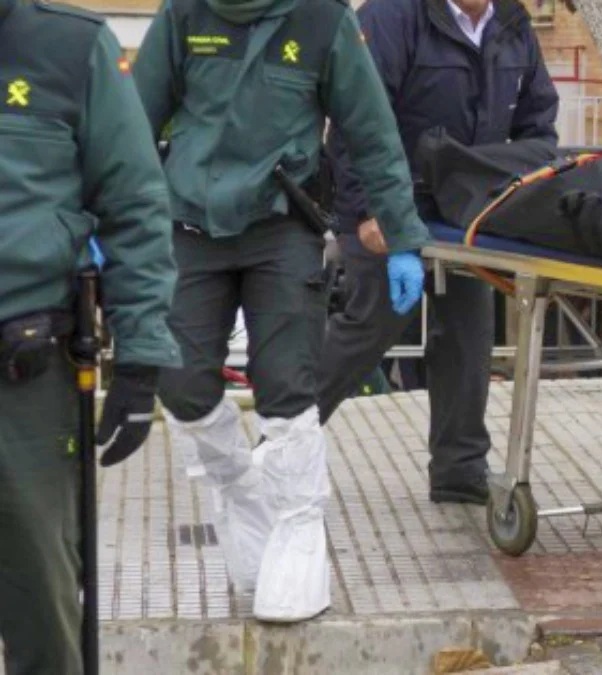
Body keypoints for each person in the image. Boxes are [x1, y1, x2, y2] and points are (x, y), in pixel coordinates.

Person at [132, 0, 430, 623]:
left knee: (287, 385)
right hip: (189, 223)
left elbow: (371, 130)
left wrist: (402, 236)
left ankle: (298, 526)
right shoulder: (184, 14)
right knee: (180, 379)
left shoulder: (322, 19)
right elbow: (132, 123)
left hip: (281, 227)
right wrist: (106, 218)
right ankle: (241, 488)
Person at [316, 0, 559, 505]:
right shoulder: (389, 18)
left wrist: (514, 196)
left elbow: (538, 125)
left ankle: (459, 470)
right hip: (387, 202)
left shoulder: (512, 24)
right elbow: (354, 118)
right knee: (368, 326)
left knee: (468, 334)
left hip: (467, 210)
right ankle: (281, 441)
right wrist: (368, 210)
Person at [0, 1, 179, 672]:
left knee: (41, 598)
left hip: (22, 382)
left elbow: (133, 205)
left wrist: (141, 356)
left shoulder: (70, 47)